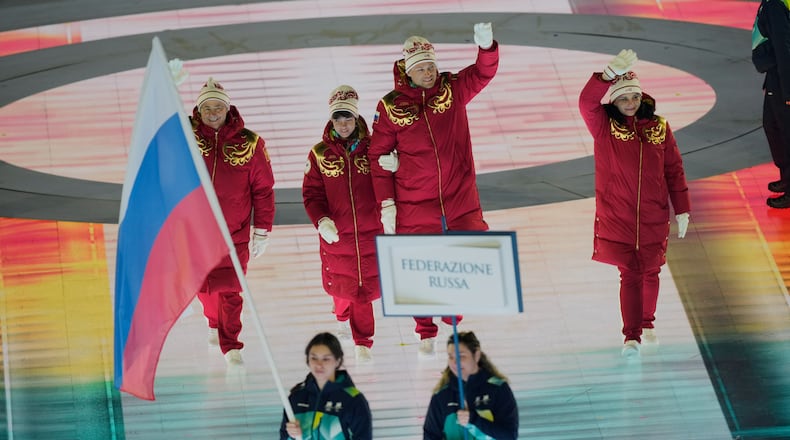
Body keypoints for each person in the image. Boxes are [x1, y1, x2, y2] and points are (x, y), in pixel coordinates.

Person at [368, 23, 498, 357]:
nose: (428, 72)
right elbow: (377, 156)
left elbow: (482, 75)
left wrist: (486, 48)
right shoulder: (391, 106)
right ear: (408, 72)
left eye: (431, 66)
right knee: (420, 265)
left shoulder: (451, 90)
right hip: (414, 201)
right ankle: (424, 330)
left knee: (462, 257)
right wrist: (387, 204)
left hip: (459, 196)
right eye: (421, 68)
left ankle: (452, 315)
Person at [578, 50, 691, 358]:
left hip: (654, 214)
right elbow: (586, 102)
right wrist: (609, 73)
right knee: (629, 273)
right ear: (613, 101)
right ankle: (632, 337)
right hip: (618, 216)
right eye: (623, 98)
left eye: (634, 96)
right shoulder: (604, 127)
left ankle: (647, 323)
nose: (630, 102)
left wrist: (682, 207)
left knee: (651, 271)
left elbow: (674, 170)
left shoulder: (659, 128)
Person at [189, 77, 276, 366]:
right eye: (207, 108)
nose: (212, 113)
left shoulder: (250, 144)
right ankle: (213, 321)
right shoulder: (185, 137)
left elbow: (262, 189)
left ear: (228, 109)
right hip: (195, 233)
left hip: (233, 232)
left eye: (218, 107)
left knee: (230, 289)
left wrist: (262, 229)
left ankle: (232, 345)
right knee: (203, 288)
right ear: (198, 111)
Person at [302, 85, 392, 363]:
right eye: (338, 119)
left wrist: (397, 164)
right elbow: (311, 194)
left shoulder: (376, 147)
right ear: (331, 121)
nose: (343, 124)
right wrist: (321, 220)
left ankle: (363, 342)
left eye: (348, 118)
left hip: (371, 233)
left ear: (356, 118)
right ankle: (341, 315)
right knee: (342, 290)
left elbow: (392, 179)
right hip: (336, 236)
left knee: (362, 291)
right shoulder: (318, 155)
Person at [423, 331, 518, 440]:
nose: (455, 363)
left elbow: (509, 436)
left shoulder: (497, 389)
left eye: (461, 356)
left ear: (476, 355)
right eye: (451, 357)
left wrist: (474, 420)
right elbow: (430, 436)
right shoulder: (441, 396)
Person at [280, 332, 373, 440]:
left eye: (326, 359)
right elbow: (283, 437)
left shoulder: (353, 400)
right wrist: (291, 436)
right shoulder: (296, 397)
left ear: (337, 361)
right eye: (314, 358)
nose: (319, 364)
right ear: (308, 360)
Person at [752, 0, 790, 208]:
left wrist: (788, 90)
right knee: (772, 125)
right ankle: (786, 176)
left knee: (784, 132)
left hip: (781, 79)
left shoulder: (775, 5)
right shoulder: (771, 3)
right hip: (774, 77)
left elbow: (783, 49)